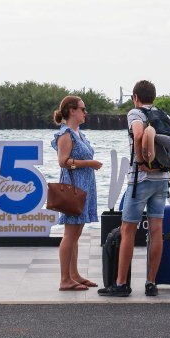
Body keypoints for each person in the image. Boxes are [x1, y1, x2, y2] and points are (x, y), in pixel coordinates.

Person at [99, 80, 170, 297]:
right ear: (154, 97)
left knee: (128, 230)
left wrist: (142, 161)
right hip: (162, 178)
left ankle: (121, 283)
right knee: (156, 231)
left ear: (135, 97)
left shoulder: (135, 113)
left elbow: (139, 135)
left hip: (140, 179)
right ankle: (151, 283)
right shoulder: (165, 116)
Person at [51, 95, 102, 290]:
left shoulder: (78, 133)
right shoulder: (66, 134)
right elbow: (63, 161)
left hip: (84, 185)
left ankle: (74, 274)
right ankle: (65, 279)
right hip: (74, 187)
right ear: (72, 111)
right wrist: (89, 163)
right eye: (82, 109)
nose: (85, 112)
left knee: (76, 233)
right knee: (70, 233)